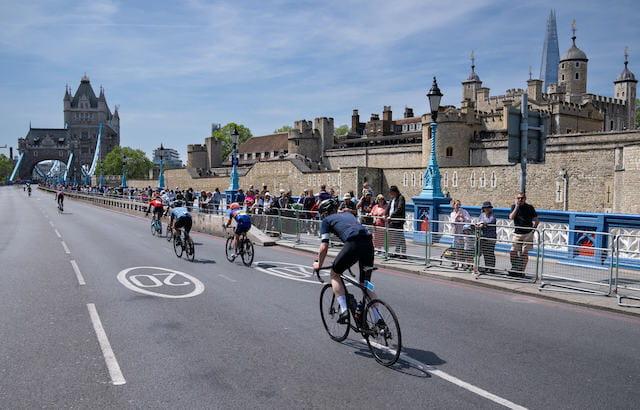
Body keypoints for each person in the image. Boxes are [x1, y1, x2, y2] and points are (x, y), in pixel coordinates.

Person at [312, 199, 382, 325]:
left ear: (324, 213)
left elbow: (324, 247)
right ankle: (378, 318)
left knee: (334, 274)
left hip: (353, 244)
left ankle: (344, 311)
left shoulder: (326, 221)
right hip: (368, 243)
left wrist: (319, 264)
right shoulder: (348, 214)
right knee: (366, 284)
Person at [509, 192, 539, 277]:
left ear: (525, 199)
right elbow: (511, 217)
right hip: (517, 233)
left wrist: (533, 230)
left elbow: (537, 220)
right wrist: (517, 207)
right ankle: (515, 269)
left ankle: (522, 271)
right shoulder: (513, 207)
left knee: (524, 253)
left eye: (522, 198)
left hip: (527, 233)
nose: (520, 199)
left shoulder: (530, 207)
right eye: (518, 198)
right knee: (513, 252)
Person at [449, 199, 471, 269]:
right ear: (453, 206)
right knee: (457, 249)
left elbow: (469, 220)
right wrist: (457, 216)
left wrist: (463, 217)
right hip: (456, 233)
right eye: (457, 205)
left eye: (459, 205)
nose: (458, 206)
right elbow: (452, 222)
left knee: (464, 249)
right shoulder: (452, 213)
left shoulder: (464, 211)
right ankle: (457, 263)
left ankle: (464, 264)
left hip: (464, 233)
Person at [386, 186, 406, 258]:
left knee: (400, 237)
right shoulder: (392, 198)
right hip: (392, 221)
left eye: (391, 192)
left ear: (395, 192)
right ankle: (396, 252)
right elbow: (388, 207)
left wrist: (391, 216)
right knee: (395, 237)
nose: (390, 194)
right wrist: (385, 214)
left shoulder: (401, 198)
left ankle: (403, 254)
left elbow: (399, 208)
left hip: (398, 221)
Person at [477, 201, 497, 273]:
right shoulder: (481, 215)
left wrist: (483, 224)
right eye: (486, 208)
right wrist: (478, 224)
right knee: (485, 252)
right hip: (483, 236)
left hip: (491, 237)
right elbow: (479, 221)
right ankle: (487, 267)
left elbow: (491, 221)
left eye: (489, 207)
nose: (487, 209)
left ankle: (492, 268)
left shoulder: (493, 215)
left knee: (490, 252)